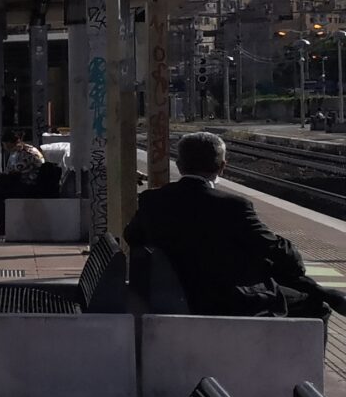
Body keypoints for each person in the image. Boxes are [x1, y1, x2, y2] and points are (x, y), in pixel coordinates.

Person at [126, 130, 335, 317]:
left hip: (169, 297)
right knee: (317, 306)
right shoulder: (234, 205)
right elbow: (274, 250)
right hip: (230, 302)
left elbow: (132, 236)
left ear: (179, 166)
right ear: (222, 167)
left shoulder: (152, 200)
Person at [0, 133, 46, 235]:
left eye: (4, 145)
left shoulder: (27, 153)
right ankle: (0, 222)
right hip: (23, 182)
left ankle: (3, 224)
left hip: (31, 185)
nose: (4, 147)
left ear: (10, 143)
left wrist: (1, 177)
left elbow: (15, 172)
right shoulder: (16, 152)